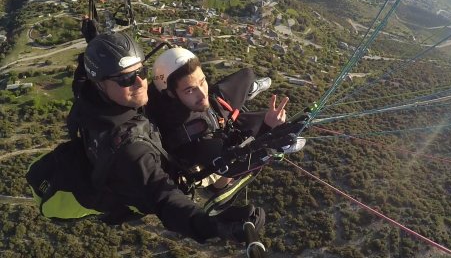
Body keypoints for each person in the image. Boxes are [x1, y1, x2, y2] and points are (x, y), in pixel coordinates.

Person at [66, 32, 265, 243]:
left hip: (147, 131)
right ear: (100, 84)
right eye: (126, 79)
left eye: (141, 71)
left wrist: (95, 43)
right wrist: (214, 226)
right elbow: (165, 199)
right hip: (152, 178)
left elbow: (82, 78)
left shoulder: (89, 96)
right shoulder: (131, 150)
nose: (140, 82)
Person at [145, 47, 306, 190]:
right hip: (223, 134)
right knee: (269, 119)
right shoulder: (193, 137)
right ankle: (279, 142)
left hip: (214, 110)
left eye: (202, 81)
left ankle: (248, 90)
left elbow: (200, 94)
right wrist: (268, 130)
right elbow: (231, 169)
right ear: (171, 94)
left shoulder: (165, 93)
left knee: (247, 74)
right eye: (190, 90)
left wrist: (195, 93)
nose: (202, 93)